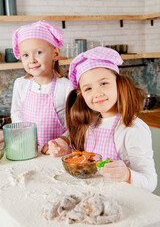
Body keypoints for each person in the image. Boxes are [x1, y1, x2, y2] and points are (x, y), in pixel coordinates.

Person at [44, 46, 157, 192]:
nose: (97, 93)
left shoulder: (132, 129)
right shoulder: (91, 122)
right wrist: (63, 143)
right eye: (88, 89)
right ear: (81, 95)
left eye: (103, 83)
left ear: (119, 83)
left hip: (121, 200)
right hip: (92, 195)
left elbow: (150, 182)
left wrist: (127, 175)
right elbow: (71, 139)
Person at [11, 20, 72, 149]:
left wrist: (60, 142)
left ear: (55, 54)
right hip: (29, 149)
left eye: (38, 52)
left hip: (58, 152)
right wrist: (24, 135)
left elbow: (75, 124)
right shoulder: (20, 84)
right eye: (26, 55)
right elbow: (16, 113)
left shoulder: (66, 86)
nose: (32, 60)